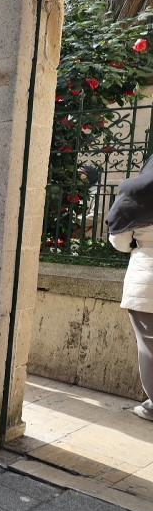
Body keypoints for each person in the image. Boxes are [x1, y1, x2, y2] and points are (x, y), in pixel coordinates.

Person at [107, 163, 153, 422]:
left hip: (147, 277)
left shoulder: (138, 194)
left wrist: (136, 243)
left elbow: (119, 240)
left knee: (150, 346)